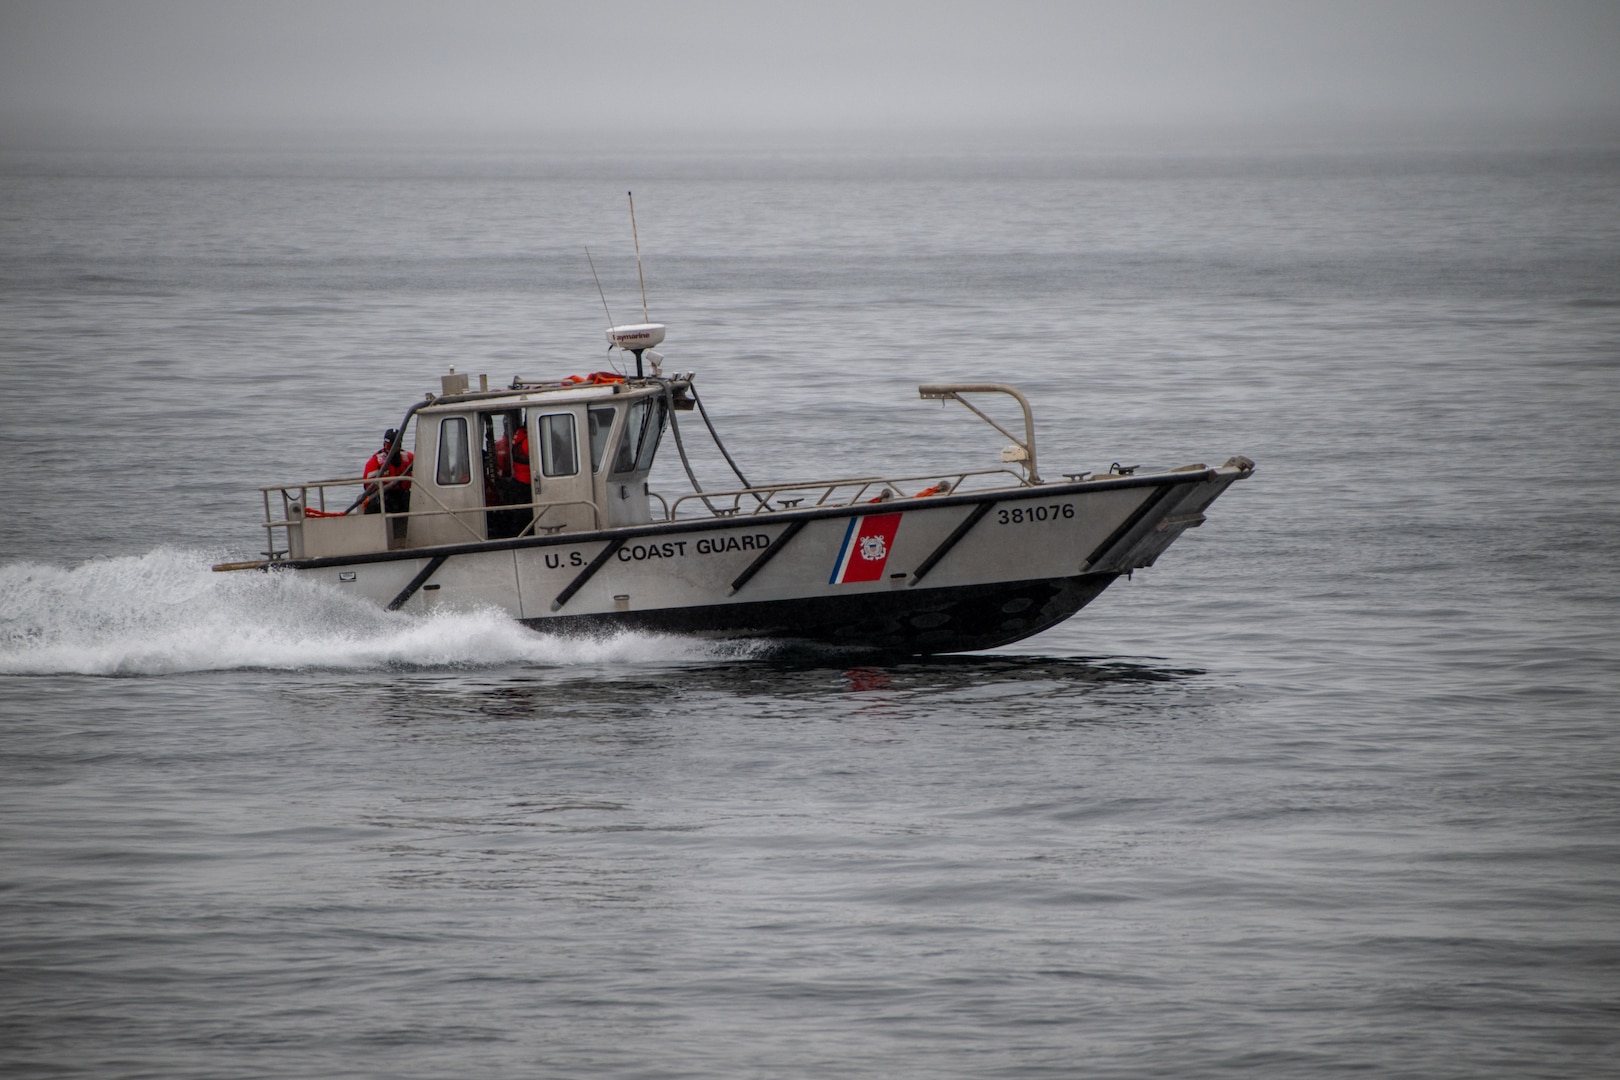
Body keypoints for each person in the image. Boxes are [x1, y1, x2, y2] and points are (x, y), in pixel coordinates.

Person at [362, 428, 414, 515]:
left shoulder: (409, 458)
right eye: (389, 447)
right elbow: (368, 487)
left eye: (395, 446)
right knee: (373, 504)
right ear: (384, 445)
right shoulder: (375, 462)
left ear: (399, 446)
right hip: (383, 496)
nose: (392, 450)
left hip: (403, 495)